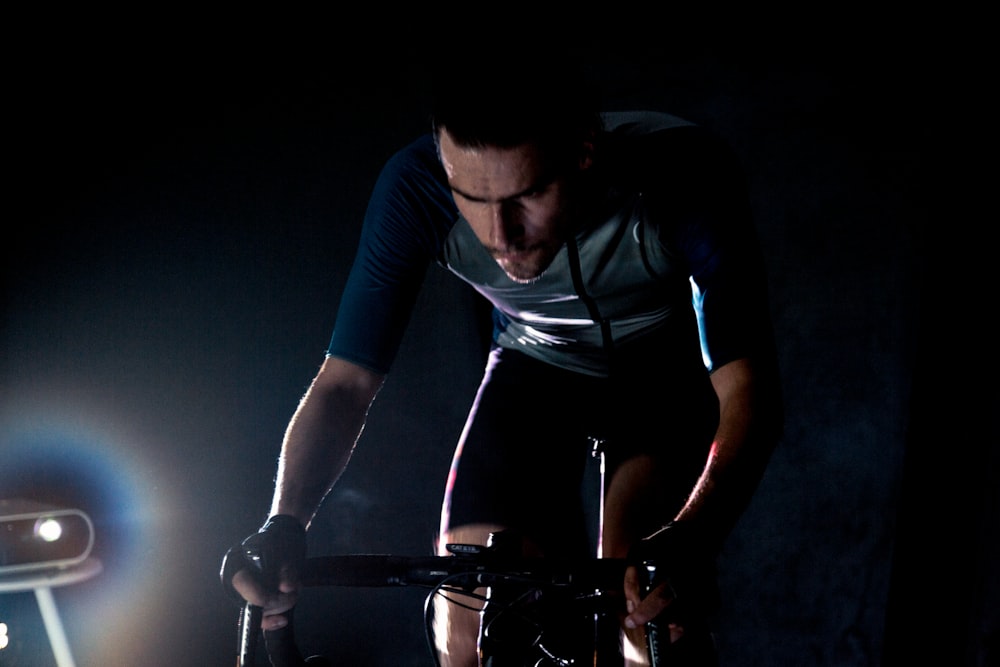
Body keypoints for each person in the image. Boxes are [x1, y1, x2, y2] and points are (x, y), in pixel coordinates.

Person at [221, 60, 783, 666]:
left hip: (661, 379)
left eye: (527, 196)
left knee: (645, 626)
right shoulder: (414, 189)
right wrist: (284, 523)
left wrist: (692, 535)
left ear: (585, 152)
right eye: (474, 199)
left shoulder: (681, 169)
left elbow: (749, 388)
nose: (502, 234)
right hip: (533, 370)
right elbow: (344, 386)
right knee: (465, 628)